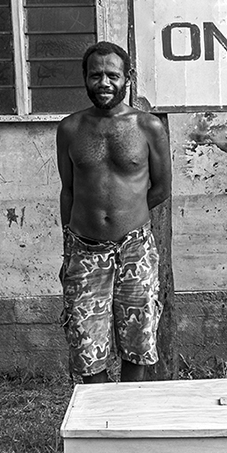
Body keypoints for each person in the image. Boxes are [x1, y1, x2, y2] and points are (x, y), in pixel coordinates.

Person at [56, 41, 171, 383]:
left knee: (139, 341)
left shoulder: (148, 127)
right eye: (96, 75)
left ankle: (127, 421)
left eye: (112, 75)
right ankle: (99, 421)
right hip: (84, 251)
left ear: (127, 78)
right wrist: (69, 251)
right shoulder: (70, 129)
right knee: (85, 345)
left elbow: (162, 187)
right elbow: (69, 190)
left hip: (135, 249)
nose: (104, 83)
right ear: (85, 79)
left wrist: (127, 213)